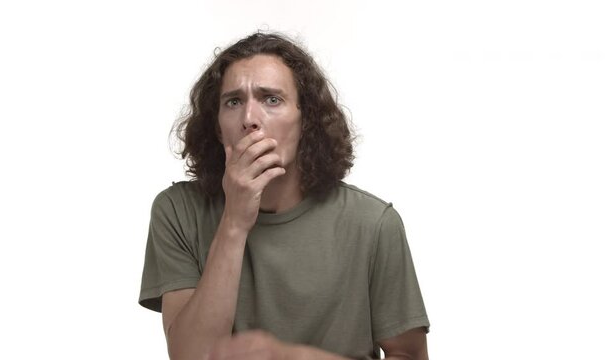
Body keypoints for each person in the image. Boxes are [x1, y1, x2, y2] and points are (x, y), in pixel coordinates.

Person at [139, 31, 430, 360]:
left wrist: (293, 357)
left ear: (306, 119)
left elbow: (409, 355)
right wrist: (234, 221)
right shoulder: (178, 211)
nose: (249, 119)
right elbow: (191, 357)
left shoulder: (373, 224)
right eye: (233, 101)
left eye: (271, 99)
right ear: (218, 127)